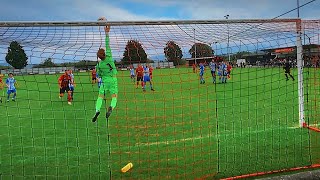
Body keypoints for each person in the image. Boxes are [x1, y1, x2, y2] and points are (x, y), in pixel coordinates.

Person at [92, 23, 118, 122]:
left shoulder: (99, 65)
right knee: (114, 97)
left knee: (100, 97)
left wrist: (98, 68)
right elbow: (107, 44)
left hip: (104, 81)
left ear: (99, 57)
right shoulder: (109, 57)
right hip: (113, 79)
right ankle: (111, 106)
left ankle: (97, 110)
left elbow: (99, 74)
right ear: (105, 53)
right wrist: (107, 33)